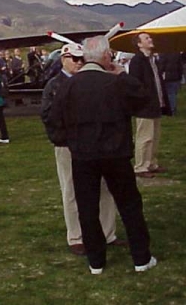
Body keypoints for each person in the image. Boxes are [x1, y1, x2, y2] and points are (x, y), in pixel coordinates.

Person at [51, 36, 156, 274]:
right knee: (129, 205)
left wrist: (67, 141)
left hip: (83, 155)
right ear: (106, 56)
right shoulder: (115, 82)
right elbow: (144, 98)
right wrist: (122, 75)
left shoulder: (69, 85)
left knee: (87, 208)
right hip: (115, 153)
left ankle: (96, 261)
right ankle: (141, 258)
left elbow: (54, 118)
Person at [41, 43, 124, 256]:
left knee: (105, 188)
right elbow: (49, 117)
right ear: (63, 60)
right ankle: (77, 236)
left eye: (82, 59)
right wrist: (64, 139)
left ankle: (107, 233)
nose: (79, 63)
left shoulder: (89, 81)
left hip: (95, 144)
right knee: (71, 189)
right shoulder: (55, 85)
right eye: (75, 59)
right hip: (69, 145)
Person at [128, 32, 171, 178]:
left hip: (156, 104)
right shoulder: (137, 61)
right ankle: (140, 166)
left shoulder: (152, 60)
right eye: (146, 38)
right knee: (145, 137)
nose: (150, 40)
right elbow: (135, 84)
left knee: (155, 136)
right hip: (145, 106)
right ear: (139, 44)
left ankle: (151, 163)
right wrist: (143, 100)